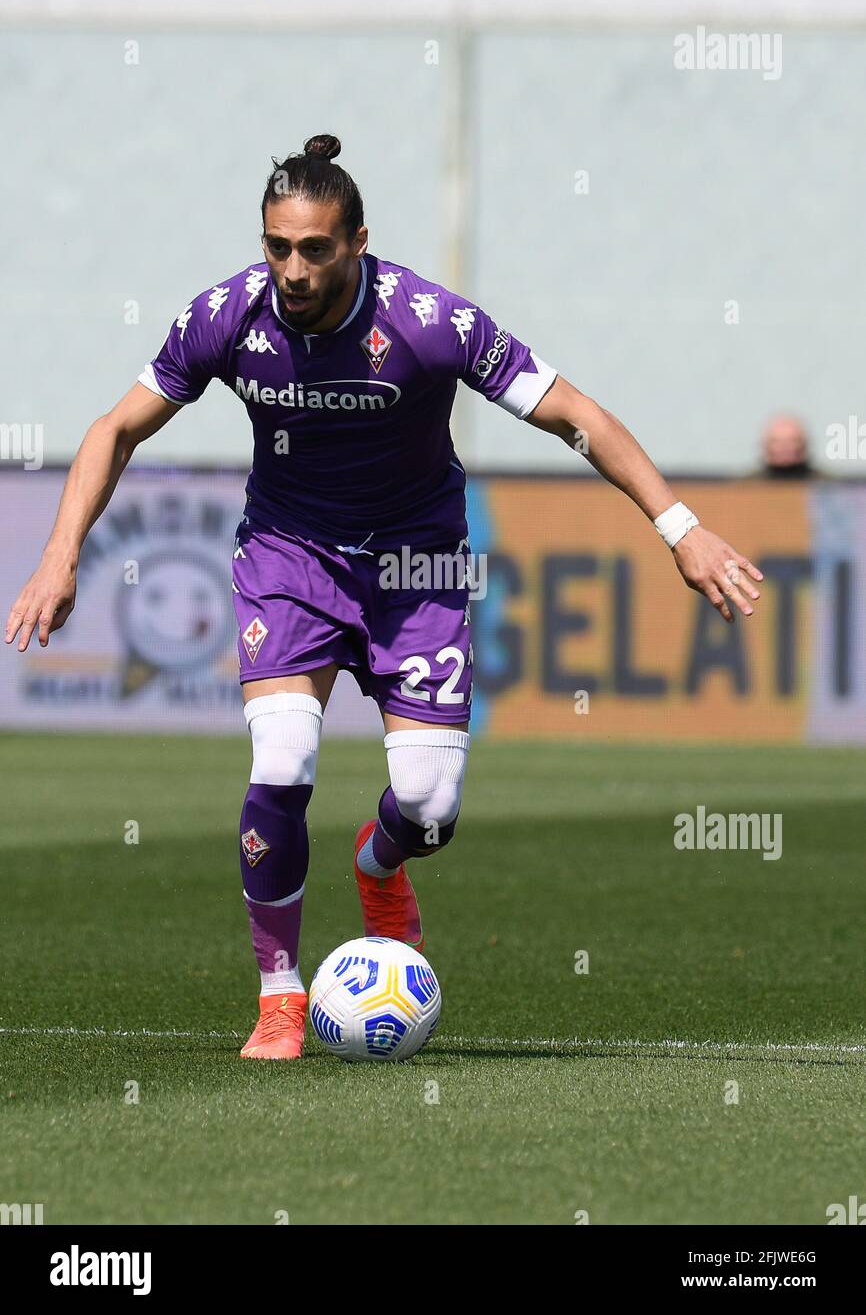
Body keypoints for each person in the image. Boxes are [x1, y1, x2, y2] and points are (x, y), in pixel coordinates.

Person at [4, 134, 763, 1060]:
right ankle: (280, 997)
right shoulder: (225, 317)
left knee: (429, 803)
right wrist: (59, 552)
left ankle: (380, 859)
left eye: (315, 248)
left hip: (419, 567)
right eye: (277, 246)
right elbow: (116, 428)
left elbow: (577, 416)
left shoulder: (429, 322)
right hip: (291, 559)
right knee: (282, 759)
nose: (291, 268)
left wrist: (681, 530)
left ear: (358, 242)